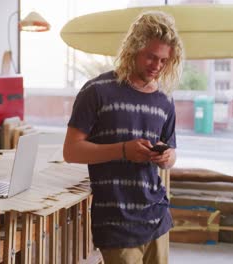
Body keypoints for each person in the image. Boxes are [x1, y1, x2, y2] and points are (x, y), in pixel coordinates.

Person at [63, 10, 183, 264]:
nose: (157, 66)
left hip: (157, 216)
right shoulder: (96, 91)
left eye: (164, 61)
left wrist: (167, 157)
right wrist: (123, 150)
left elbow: (171, 154)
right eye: (151, 57)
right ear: (133, 48)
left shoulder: (165, 101)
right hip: (116, 222)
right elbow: (71, 151)